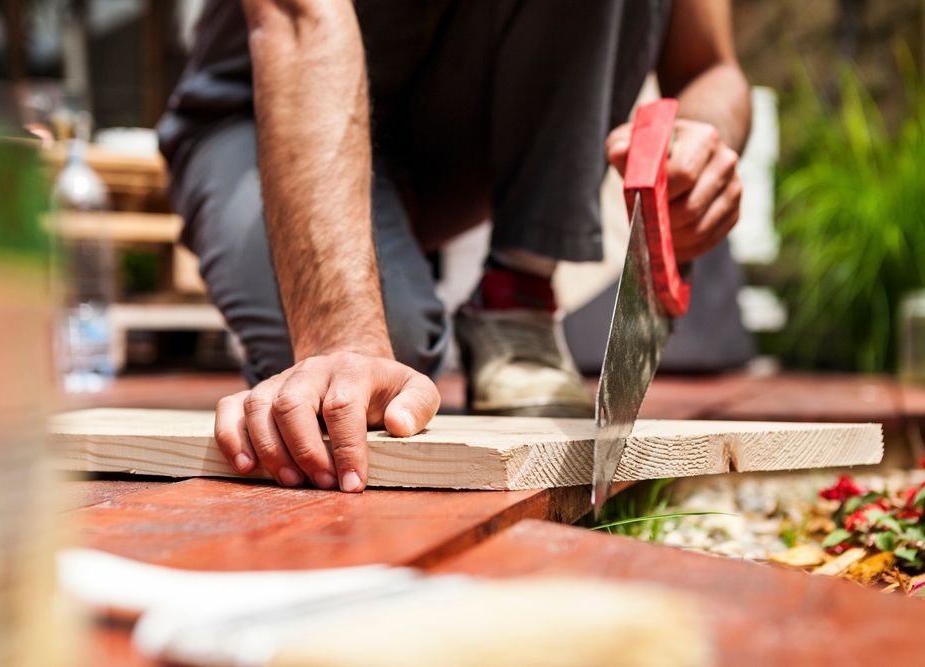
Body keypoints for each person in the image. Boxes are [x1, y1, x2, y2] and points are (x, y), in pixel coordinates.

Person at [158, 0, 751, 493]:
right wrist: (345, 342)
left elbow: (710, 69)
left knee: (384, 396)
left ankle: (516, 292)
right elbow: (297, 17)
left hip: (440, 147)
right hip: (261, 109)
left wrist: (701, 143)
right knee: (374, 394)